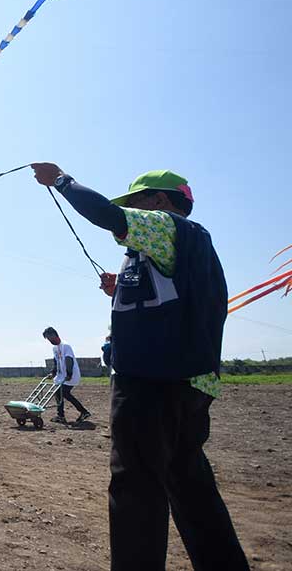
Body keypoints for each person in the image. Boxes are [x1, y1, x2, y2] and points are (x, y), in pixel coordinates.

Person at [32, 163, 248, 571]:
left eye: (136, 205)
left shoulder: (169, 227)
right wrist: (120, 290)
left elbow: (106, 215)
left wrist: (61, 181)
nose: (131, 216)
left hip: (151, 385)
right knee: (189, 485)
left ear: (160, 202)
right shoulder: (177, 252)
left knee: (136, 490)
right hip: (189, 383)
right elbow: (170, 308)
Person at [42, 326, 91, 424]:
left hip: (71, 375)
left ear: (54, 335)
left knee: (63, 393)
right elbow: (56, 362)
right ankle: (62, 416)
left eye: (49, 338)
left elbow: (69, 360)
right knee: (59, 393)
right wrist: (53, 373)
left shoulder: (65, 346)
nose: (49, 341)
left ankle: (83, 412)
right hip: (61, 376)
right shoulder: (55, 348)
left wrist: (69, 374)